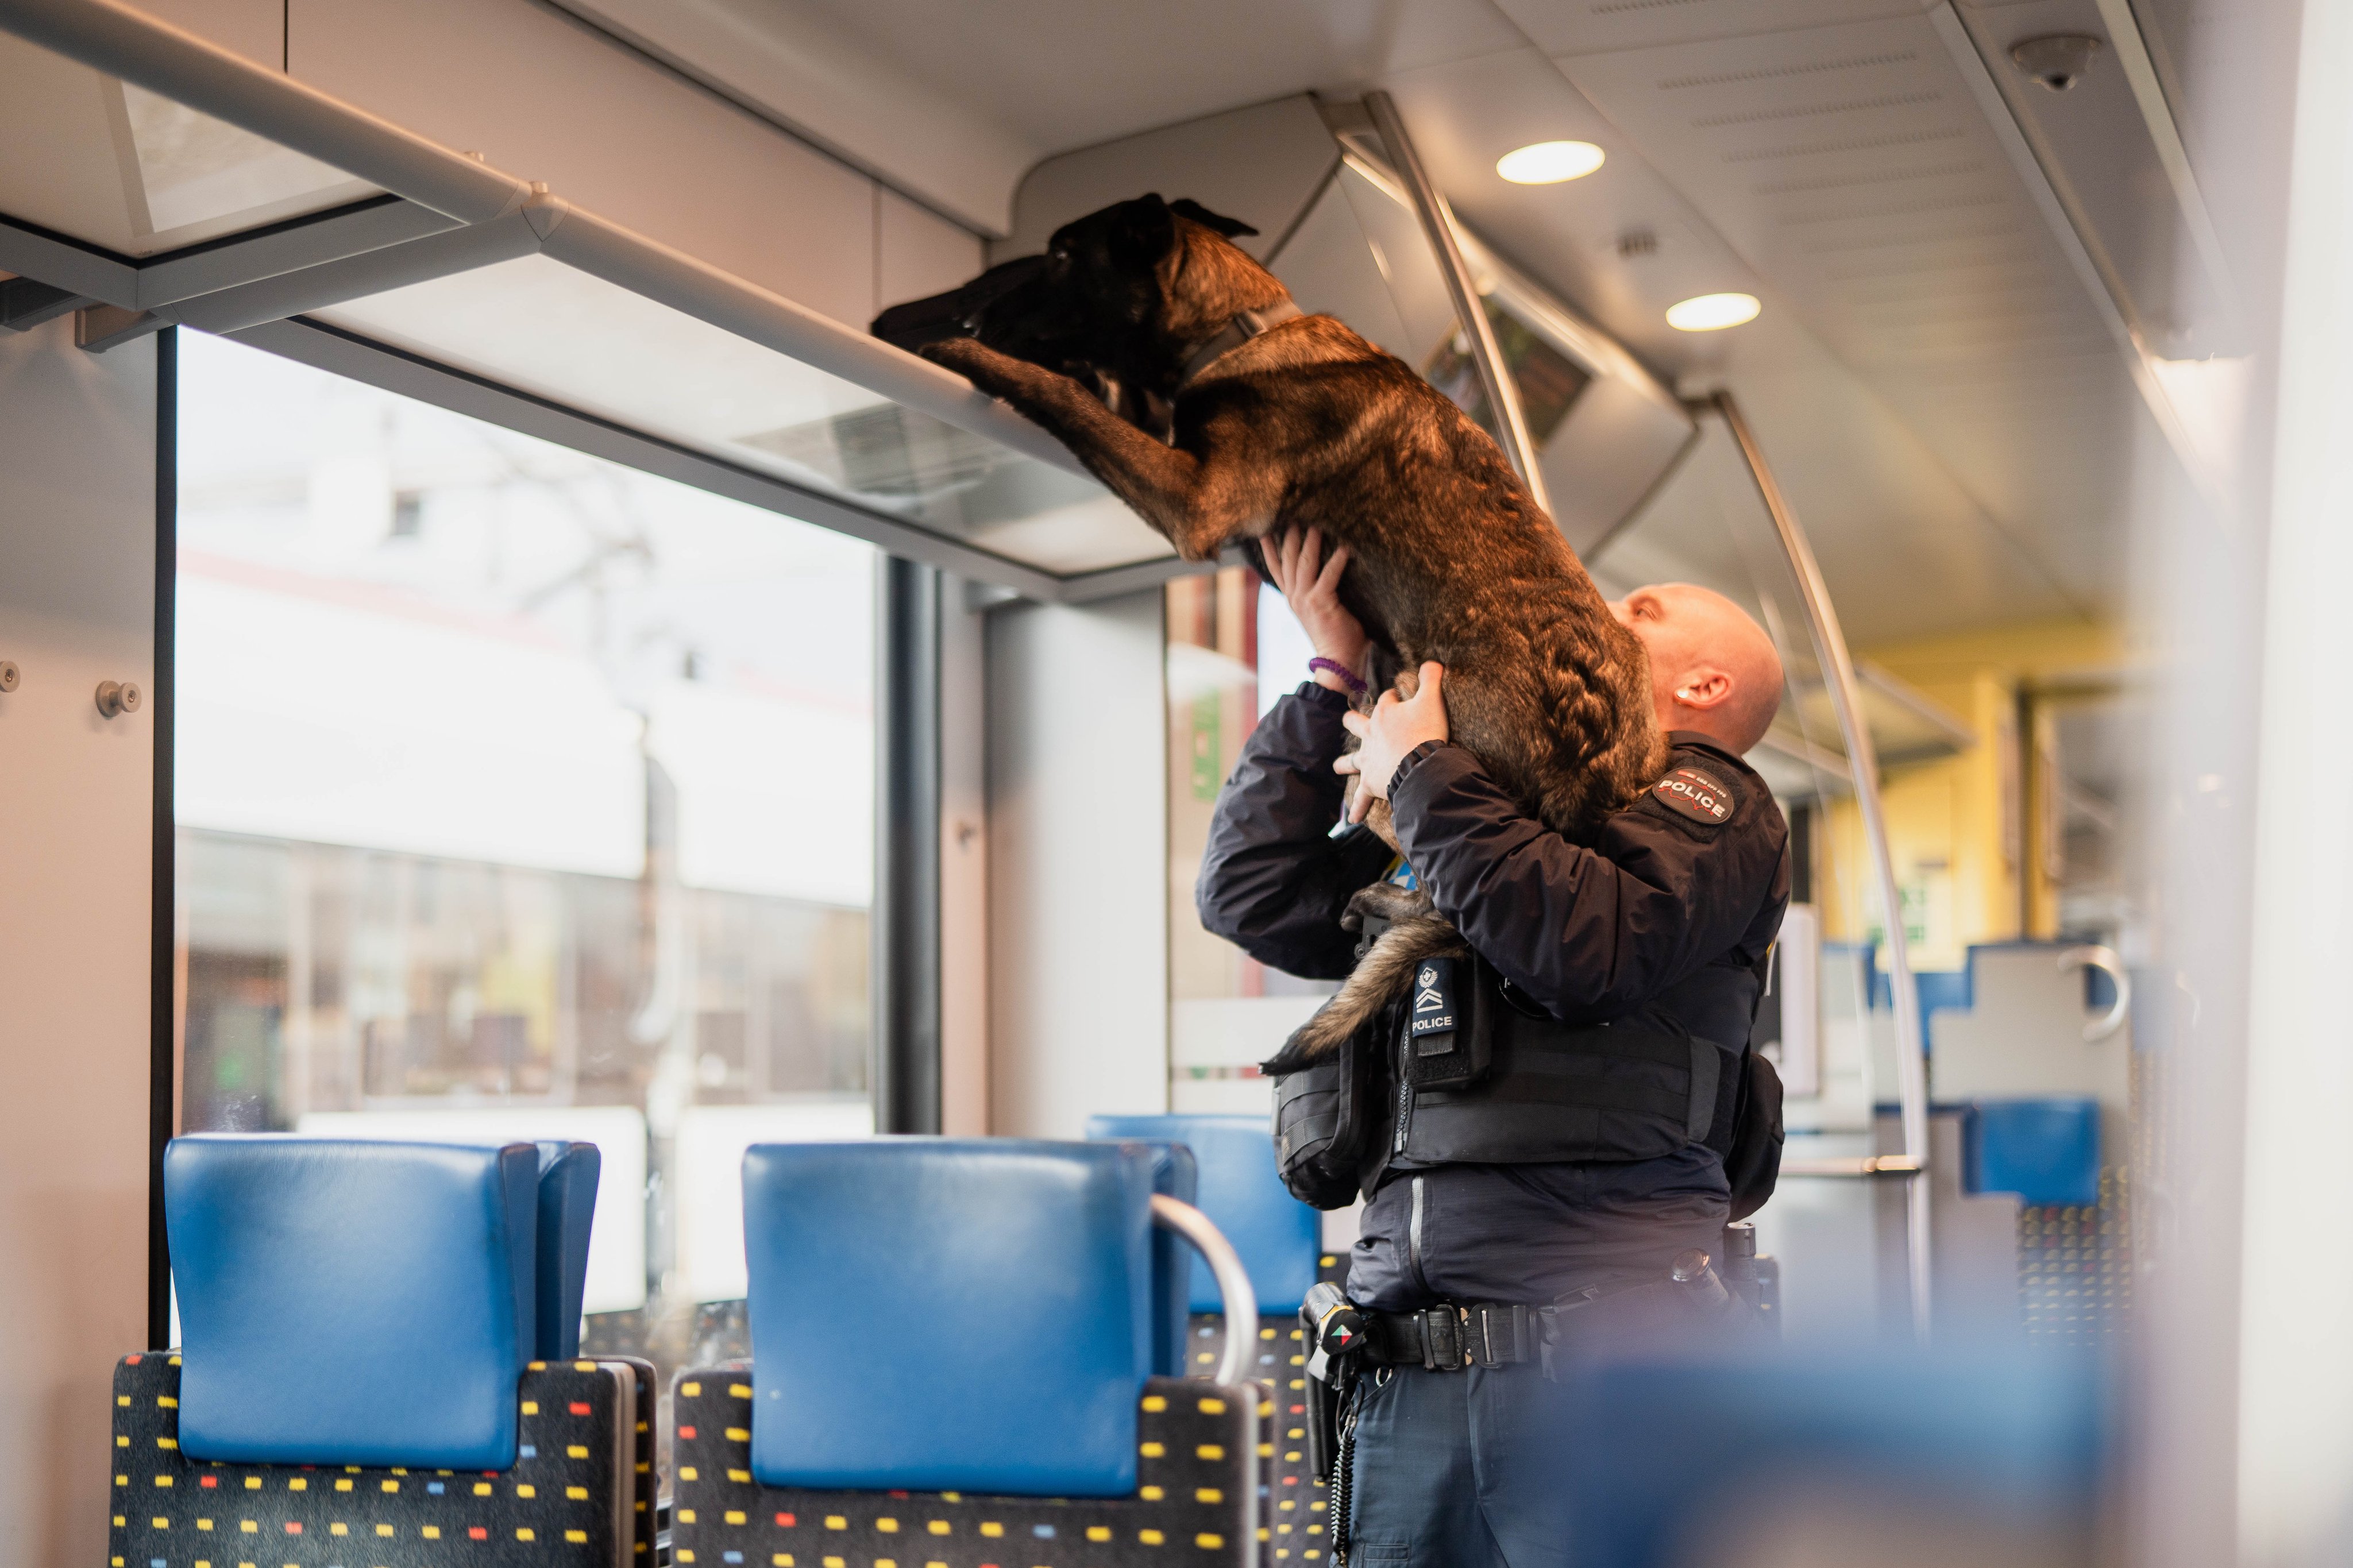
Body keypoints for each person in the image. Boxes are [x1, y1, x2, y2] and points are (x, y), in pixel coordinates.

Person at [1197, 525, 1791, 1568]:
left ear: (1703, 685)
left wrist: (1424, 767)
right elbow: (1251, 895)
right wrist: (1330, 673)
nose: (1602, 608)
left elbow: (1583, 946)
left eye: (1643, 609)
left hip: (1603, 1383)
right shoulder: (1473, 818)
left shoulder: (1717, 805)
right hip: (1402, 1379)